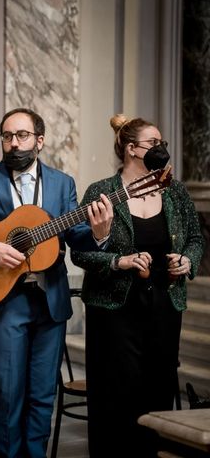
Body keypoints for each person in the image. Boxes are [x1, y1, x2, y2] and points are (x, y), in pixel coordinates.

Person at [0, 108, 114, 458]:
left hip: (50, 300)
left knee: (43, 395)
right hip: (4, 300)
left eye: (22, 136)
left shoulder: (62, 183)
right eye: (7, 136)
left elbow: (76, 237)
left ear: (39, 140)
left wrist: (99, 235)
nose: (13, 144)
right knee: (7, 394)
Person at [71, 114, 205, 458]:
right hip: (114, 310)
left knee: (159, 387)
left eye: (162, 143)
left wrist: (187, 260)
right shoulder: (101, 192)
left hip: (164, 303)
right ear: (131, 149)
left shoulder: (173, 191)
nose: (161, 149)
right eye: (154, 143)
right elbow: (81, 252)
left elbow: (195, 236)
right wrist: (119, 261)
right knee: (117, 392)